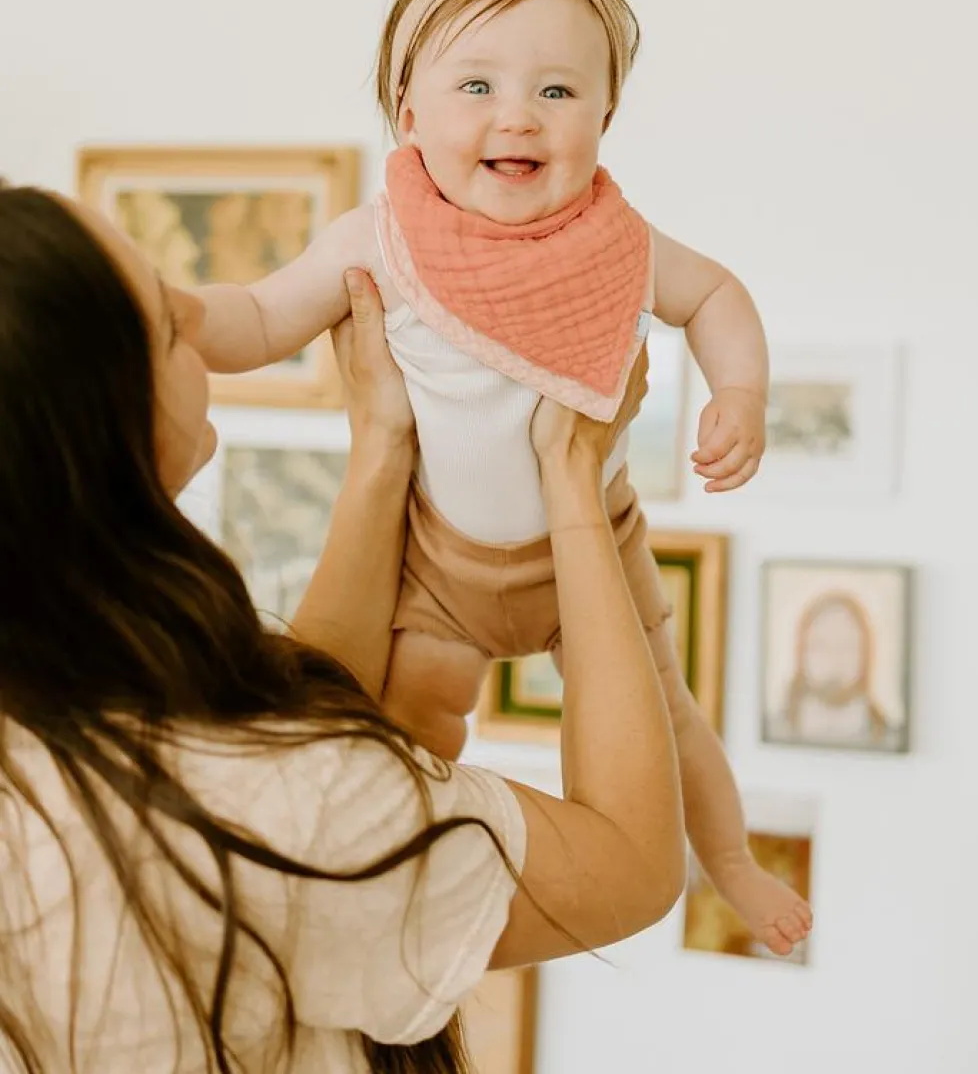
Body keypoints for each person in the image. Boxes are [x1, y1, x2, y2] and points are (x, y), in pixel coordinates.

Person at [192, 0, 812, 956]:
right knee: (410, 722)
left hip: (598, 553)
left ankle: (735, 859)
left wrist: (739, 391)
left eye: (558, 90)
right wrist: (170, 311)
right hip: (438, 565)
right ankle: (381, 880)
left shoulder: (618, 242)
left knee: (667, 729)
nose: (519, 116)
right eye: (476, 86)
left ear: (606, 112)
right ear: (407, 110)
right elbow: (256, 319)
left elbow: (717, 295)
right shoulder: (378, 241)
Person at [0, 183, 686, 1073]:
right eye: (169, 321)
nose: (200, 319)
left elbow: (292, 716)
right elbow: (630, 861)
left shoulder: (71, 696)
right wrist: (572, 477)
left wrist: (382, 447)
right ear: (97, 427)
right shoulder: (241, 810)